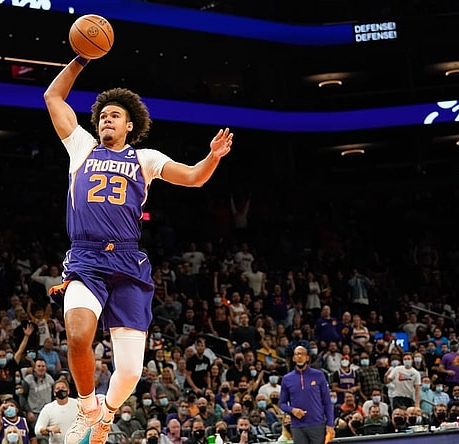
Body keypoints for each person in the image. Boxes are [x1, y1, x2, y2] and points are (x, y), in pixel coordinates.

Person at [42, 54, 233, 444]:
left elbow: (195, 179)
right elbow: (52, 97)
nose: (107, 120)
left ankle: (108, 414)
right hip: (86, 258)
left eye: (115, 116)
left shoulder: (144, 159)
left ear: (130, 126)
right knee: (77, 335)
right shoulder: (80, 146)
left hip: (128, 260)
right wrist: (81, 58)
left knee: (129, 372)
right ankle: (87, 407)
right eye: (103, 115)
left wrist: (211, 157)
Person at [278, 346, 334, 444]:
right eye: (297, 354)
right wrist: (293, 410)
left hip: (317, 425)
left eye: (302, 354)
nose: (300, 356)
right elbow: (282, 404)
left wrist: (330, 424)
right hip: (297, 427)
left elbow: (327, 402)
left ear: (307, 357)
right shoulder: (287, 379)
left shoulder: (318, 375)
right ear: (293, 358)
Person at [34, 380, 80, 444]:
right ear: (54, 393)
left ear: (68, 391)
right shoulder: (48, 408)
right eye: (58, 388)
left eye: (63, 388)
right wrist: (48, 429)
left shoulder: (78, 404)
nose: (60, 390)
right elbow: (37, 430)